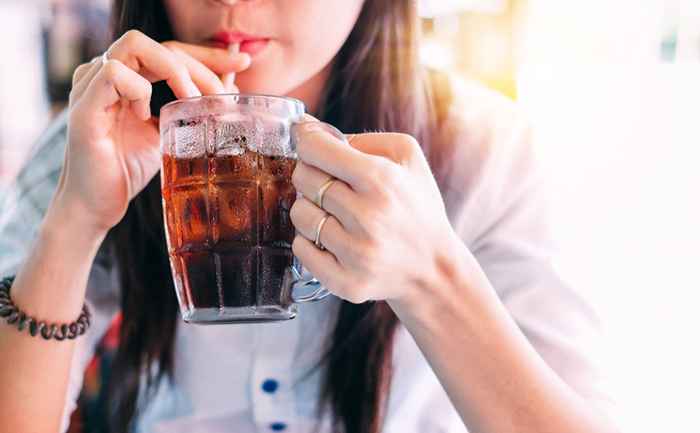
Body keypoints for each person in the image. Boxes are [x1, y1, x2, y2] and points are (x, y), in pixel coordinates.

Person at [0, 1, 618, 432]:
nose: (230, 2)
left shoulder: (483, 148)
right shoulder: (99, 134)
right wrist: (76, 219)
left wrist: (432, 279)